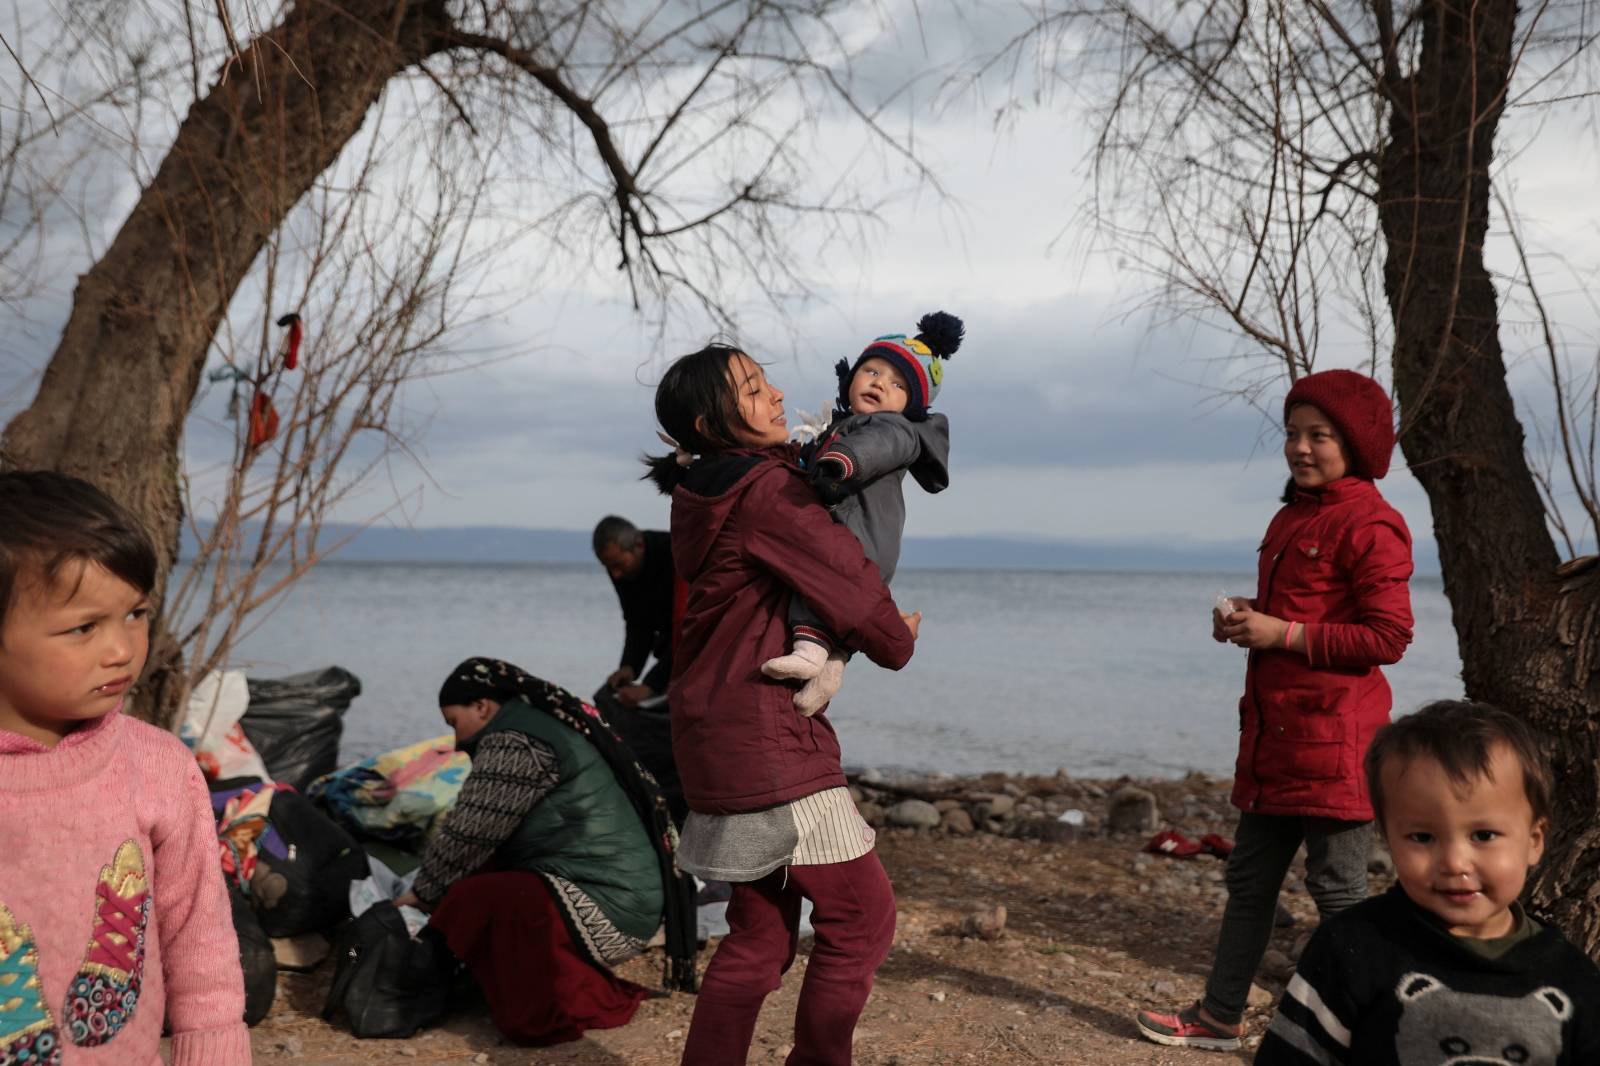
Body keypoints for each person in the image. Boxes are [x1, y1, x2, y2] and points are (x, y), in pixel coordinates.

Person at [645, 343, 919, 1066]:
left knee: (760, 936)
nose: (773, 395)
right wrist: (897, 640)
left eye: (766, 381)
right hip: (766, 742)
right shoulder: (766, 491)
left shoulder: (701, 493)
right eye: (751, 388)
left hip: (713, 738)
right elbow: (848, 581)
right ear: (712, 421)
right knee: (862, 920)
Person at [1136, 369, 1416, 1051]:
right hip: (1276, 744)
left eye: (1319, 435)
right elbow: (1297, 619)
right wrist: (1248, 621)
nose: (1301, 447)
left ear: (1357, 444)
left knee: (1340, 891)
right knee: (1249, 881)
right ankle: (1219, 1017)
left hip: (1338, 748)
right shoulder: (1292, 514)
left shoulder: (1373, 524)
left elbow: (1390, 636)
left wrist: (1281, 633)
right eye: (1293, 433)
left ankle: (1383, 1036)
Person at [0, 470, 249, 1066]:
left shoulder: (156, 765)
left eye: (135, 614)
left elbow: (200, 946)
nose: (121, 649)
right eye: (83, 627)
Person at [1256, 700, 1600, 1063]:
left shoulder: (1571, 980)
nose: (1454, 862)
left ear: (1534, 840)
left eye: (1483, 835)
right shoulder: (1352, 949)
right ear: (1388, 839)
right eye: (1422, 837)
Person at [393, 657, 696, 1046]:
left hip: (612, 908)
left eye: (454, 723)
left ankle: (532, 1011)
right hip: (619, 896)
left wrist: (419, 895)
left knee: (479, 897)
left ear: (483, 707)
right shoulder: (533, 725)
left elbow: (469, 830)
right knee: (481, 878)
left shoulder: (516, 740)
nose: (454, 741)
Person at [761, 311, 960, 714]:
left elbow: (875, 450)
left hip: (860, 538)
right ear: (851, 377)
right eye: (871, 371)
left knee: (813, 587)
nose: (879, 383)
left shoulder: (894, 428)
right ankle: (829, 670)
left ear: (911, 405)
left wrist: (841, 462)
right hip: (866, 537)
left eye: (897, 383)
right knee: (836, 619)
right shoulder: (847, 424)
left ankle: (809, 654)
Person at [593, 515, 681, 708]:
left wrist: (651, 685)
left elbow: (692, 630)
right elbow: (637, 622)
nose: (615, 574)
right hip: (672, 642)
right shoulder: (621, 569)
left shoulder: (676, 553)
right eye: (608, 568)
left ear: (639, 545)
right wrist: (629, 667)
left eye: (617, 565)